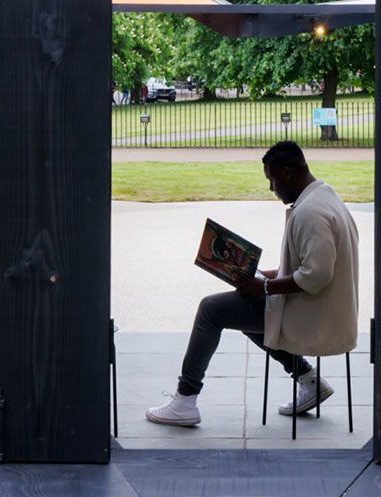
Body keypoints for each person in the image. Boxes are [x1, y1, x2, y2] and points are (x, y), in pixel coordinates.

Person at [147, 140, 360, 427]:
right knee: (242, 305)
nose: (272, 188)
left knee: (211, 310)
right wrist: (260, 276)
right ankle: (309, 380)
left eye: (272, 179)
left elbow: (316, 275)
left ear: (286, 173)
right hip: (326, 309)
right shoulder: (324, 195)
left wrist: (265, 288)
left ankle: (185, 401)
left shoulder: (311, 213)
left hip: (314, 316)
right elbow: (306, 267)